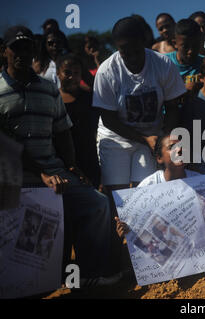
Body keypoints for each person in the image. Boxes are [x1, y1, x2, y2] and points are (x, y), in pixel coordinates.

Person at [0, 26, 119, 287]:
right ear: (4, 51)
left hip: (54, 171)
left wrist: (72, 165)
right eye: (15, 47)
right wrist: (41, 174)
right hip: (12, 176)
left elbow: (62, 132)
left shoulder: (48, 89)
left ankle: (90, 274)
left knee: (97, 204)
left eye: (27, 47)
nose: (22, 53)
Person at [92, 17, 186, 196]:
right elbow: (108, 119)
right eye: (124, 51)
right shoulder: (106, 71)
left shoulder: (163, 64)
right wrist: (144, 138)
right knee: (118, 195)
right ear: (116, 47)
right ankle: (118, 225)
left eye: (136, 50)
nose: (132, 57)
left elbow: (173, 107)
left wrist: (163, 140)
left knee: (145, 192)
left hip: (151, 135)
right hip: (116, 136)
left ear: (144, 42)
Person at [56, 53, 101, 189]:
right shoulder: (52, 98)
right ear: (58, 73)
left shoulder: (89, 98)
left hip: (89, 158)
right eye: (67, 72)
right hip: (62, 160)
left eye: (76, 73)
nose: (72, 77)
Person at [166, 19, 204, 94]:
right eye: (185, 46)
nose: (190, 51)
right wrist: (184, 89)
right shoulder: (164, 63)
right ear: (174, 43)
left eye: (195, 45)